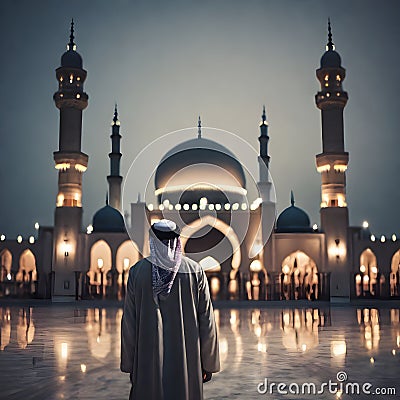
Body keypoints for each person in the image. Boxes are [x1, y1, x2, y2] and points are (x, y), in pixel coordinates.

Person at [121, 219, 220, 400]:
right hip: (187, 363)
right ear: (178, 241)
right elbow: (206, 320)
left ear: (152, 241)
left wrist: (130, 364)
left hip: (147, 361)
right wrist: (208, 363)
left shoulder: (138, 272)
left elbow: (129, 323)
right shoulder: (194, 270)